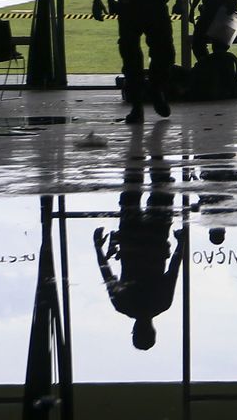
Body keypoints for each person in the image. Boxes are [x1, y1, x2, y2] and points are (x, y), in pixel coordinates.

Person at [94, 123, 184, 351]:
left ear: (153, 330)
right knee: (132, 189)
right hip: (131, 240)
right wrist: (98, 248)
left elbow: (173, 270)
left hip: (155, 239)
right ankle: (136, 141)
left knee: (161, 189)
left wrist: (181, 243)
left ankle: (155, 146)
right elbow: (107, 275)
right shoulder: (123, 306)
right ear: (134, 331)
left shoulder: (162, 304)